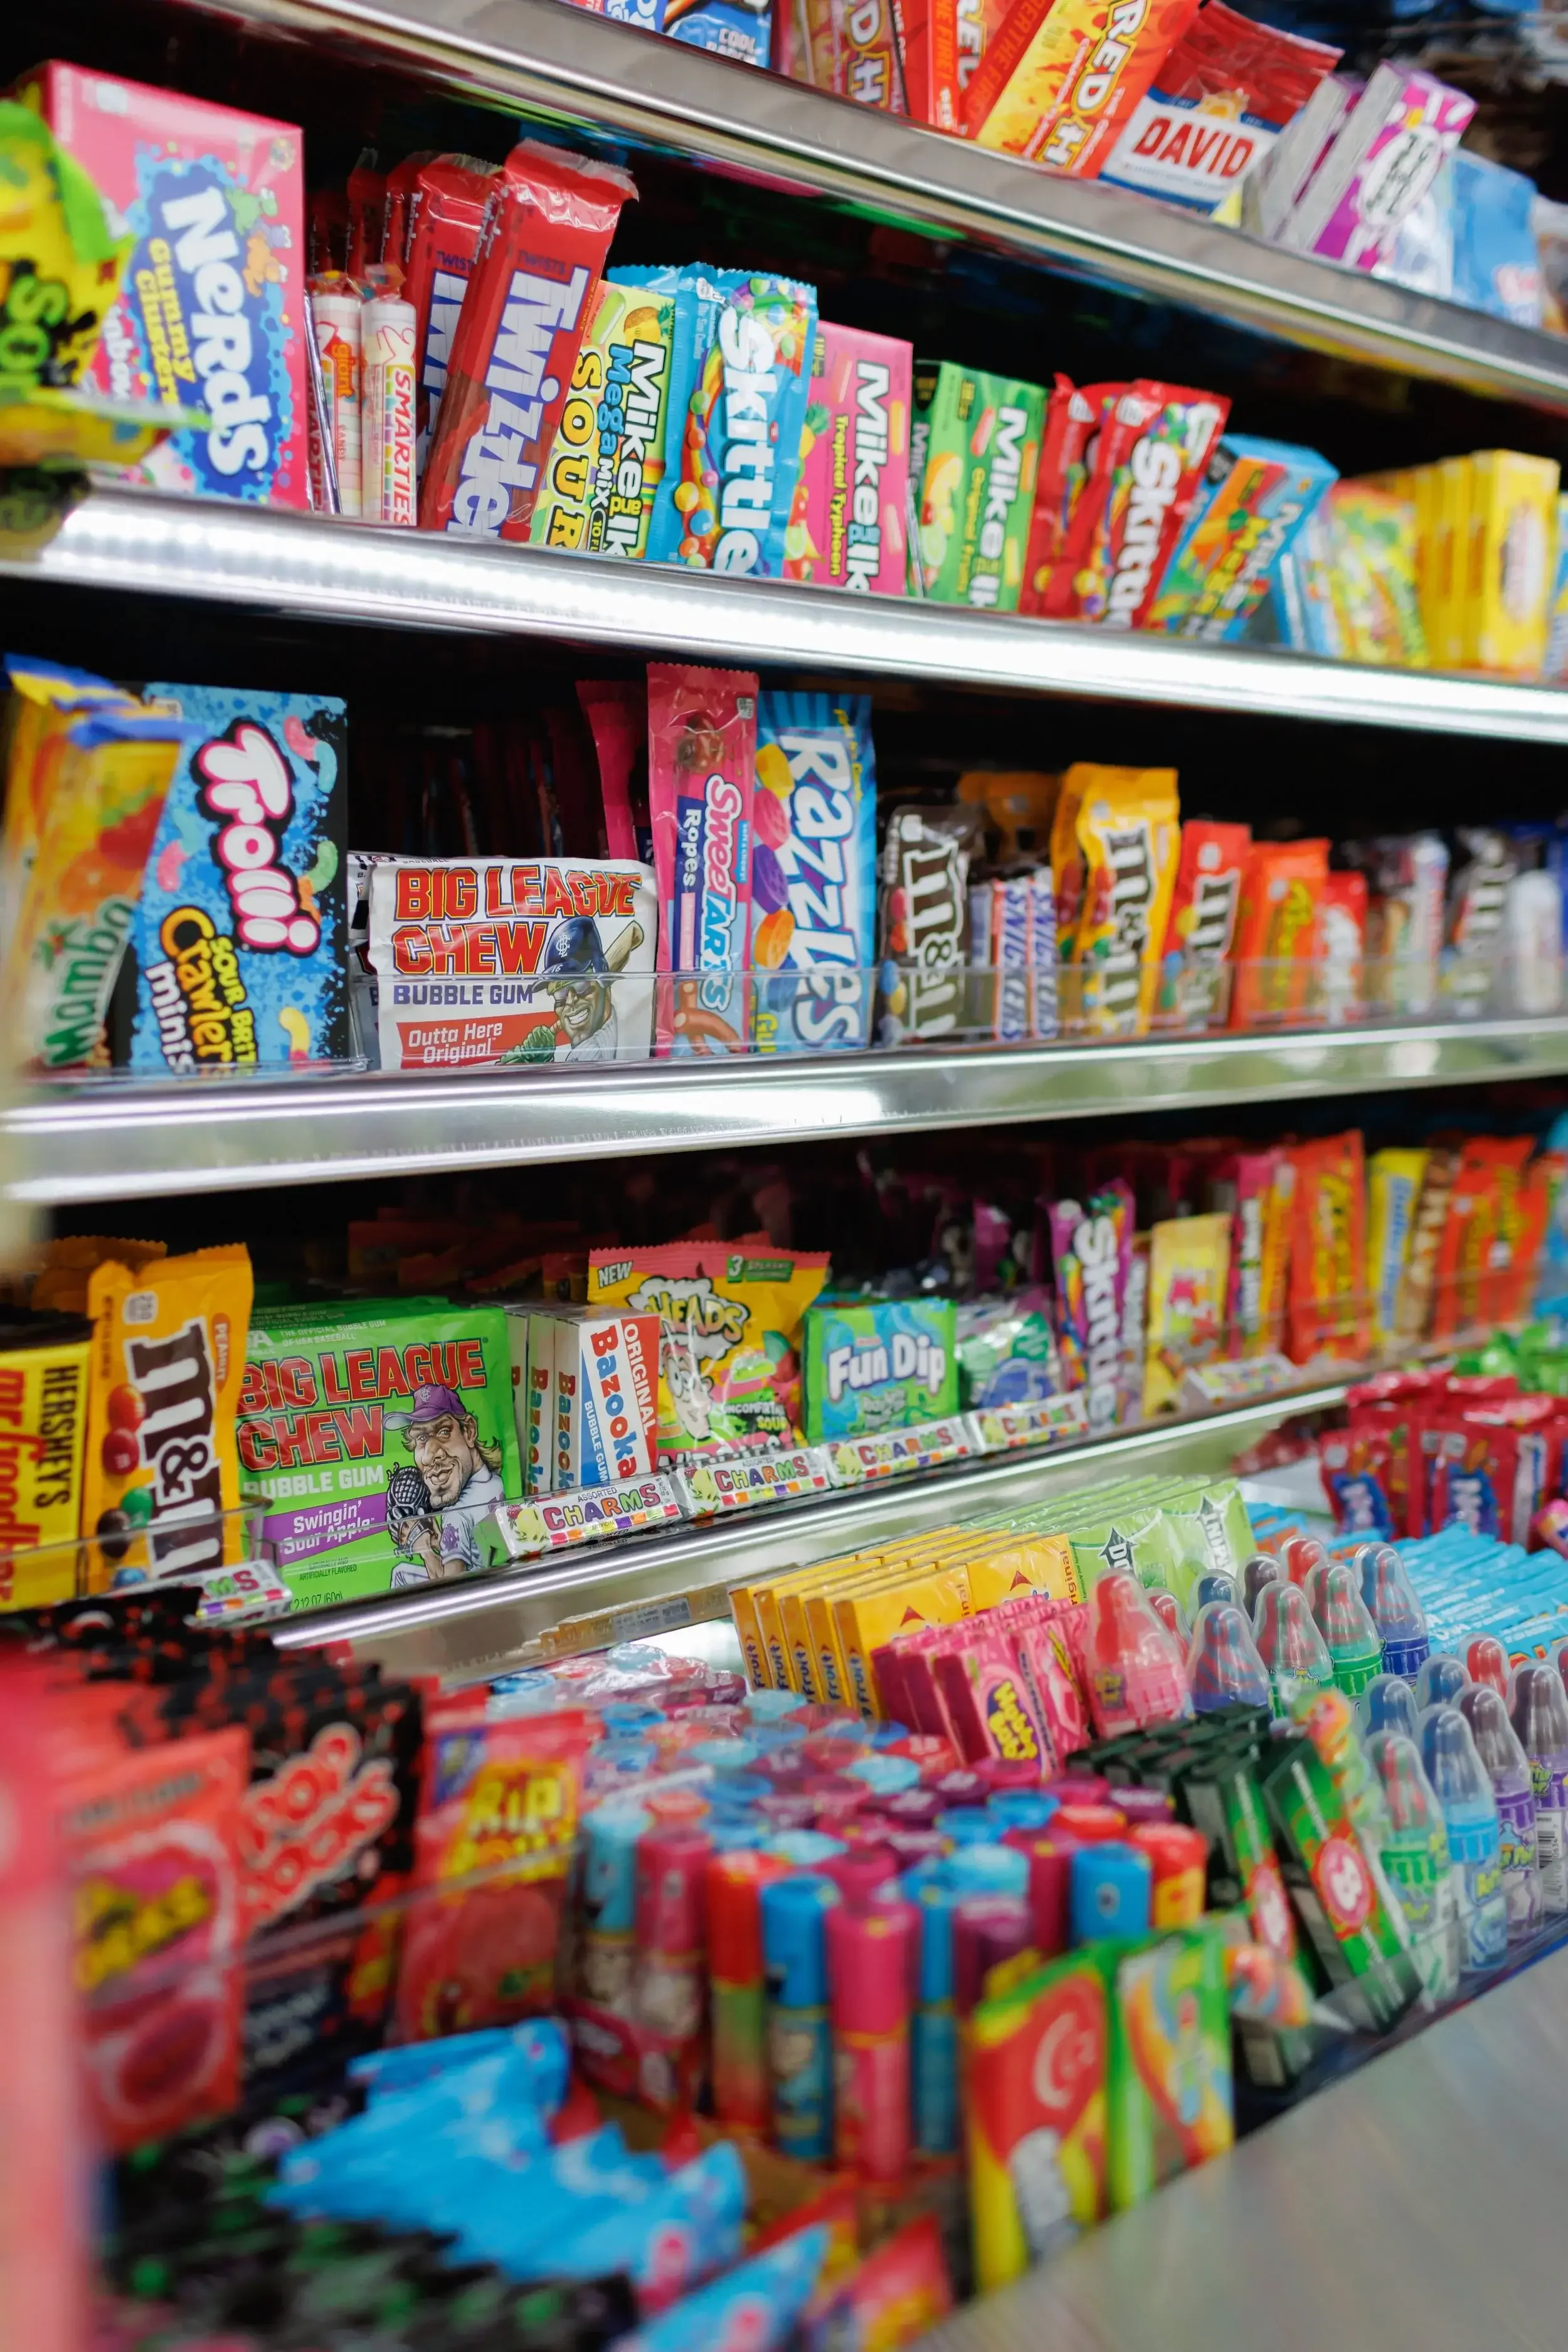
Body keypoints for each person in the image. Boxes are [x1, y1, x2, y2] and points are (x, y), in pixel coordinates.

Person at [391, 1382, 506, 1582]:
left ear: (469, 1431)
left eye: (444, 1432)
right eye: (422, 1438)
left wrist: (424, 1549)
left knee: (400, 1573)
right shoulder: (494, 1480)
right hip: (495, 1580)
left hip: (475, 1595)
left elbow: (450, 1591)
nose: (429, 1456)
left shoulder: (456, 1514)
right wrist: (441, 1540)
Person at [538, 914, 644, 1062]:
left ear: (604, 981)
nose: (570, 1001)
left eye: (580, 984)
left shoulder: (587, 1054)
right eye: (559, 993)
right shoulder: (615, 1031)